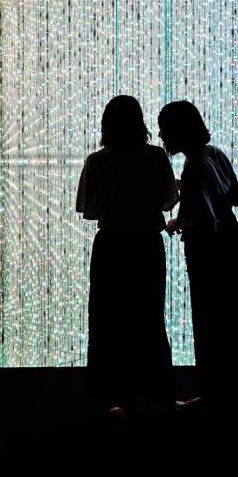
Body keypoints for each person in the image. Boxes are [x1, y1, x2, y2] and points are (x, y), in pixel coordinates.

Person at [76, 95, 178, 418]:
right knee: (148, 319)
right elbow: (167, 201)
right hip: (146, 247)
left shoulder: (96, 162)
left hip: (111, 248)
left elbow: (89, 210)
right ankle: (155, 393)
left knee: (109, 322)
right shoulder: (156, 157)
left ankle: (113, 397)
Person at [160, 100, 238, 413]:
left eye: (165, 129)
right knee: (234, 315)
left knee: (210, 319)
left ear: (177, 132)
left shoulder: (193, 168)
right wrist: (188, 191)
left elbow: (202, 222)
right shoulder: (215, 154)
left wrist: (174, 222)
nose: (161, 135)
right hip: (231, 237)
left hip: (209, 251)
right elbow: (235, 197)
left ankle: (214, 395)